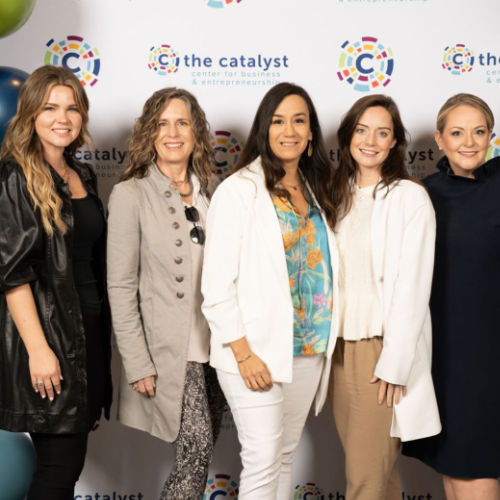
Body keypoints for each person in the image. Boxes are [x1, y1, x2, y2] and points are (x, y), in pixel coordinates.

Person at [201, 82, 339, 499]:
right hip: (254, 351)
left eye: (299, 121)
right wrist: (244, 354)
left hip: (307, 347)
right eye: (278, 121)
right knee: (262, 459)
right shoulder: (238, 190)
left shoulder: (317, 189)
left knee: (283, 455)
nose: (289, 130)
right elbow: (216, 287)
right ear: (264, 128)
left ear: (311, 132)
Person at [106, 87, 225, 500]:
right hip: (169, 353)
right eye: (162, 123)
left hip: (218, 350)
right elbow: (120, 285)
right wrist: (137, 362)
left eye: (182, 123)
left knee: (201, 453)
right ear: (149, 132)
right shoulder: (131, 194)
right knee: (195, 450)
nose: (172, 133)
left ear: (196, 132)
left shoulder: (213, 190)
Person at [0, 65, 112, 500]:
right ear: (31, 114)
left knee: (66, 468)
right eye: (50, 108)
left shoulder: (81, 175)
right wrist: (39, 350)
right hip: (51, 341)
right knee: (57, 472)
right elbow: (13, 276)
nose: (62, 118)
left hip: (88, 336)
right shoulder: (15, 176)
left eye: (72, 108)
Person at [328, 94, 441, 500]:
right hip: (339, 349)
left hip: (380, 351)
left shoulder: (409, 196)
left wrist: (395, 361)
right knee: (375, 473)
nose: (370, 141)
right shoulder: (335, 194)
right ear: (348, 136)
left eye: (382, 132)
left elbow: (414, 285)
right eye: (362, 130)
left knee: (365, 477)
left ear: (394, 142)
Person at [402, 94, 500, 500]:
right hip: (441, 355)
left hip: (489, 358)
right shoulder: (422, 194)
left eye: (479, 132)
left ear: (491, 136)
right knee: (454, 469)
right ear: (439, 139)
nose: (469, 142)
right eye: (457, 133)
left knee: (476, 466)